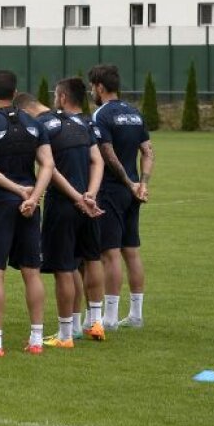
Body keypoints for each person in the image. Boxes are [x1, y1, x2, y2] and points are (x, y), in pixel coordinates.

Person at [0, 70, 54, 357]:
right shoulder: (33, 122)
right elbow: (48, 165)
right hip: (29, 203)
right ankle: (37, 340)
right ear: (16, 92)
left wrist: (20, 192)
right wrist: (33, 194)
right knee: (32, 272)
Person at [16, 80, 105, 348]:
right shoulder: (80, 122)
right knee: (91, 258)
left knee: (64, 268)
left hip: (63, 204)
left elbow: (48, 167)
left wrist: (77, 198)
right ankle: (93, 321)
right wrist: (90, 194)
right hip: (90, 203)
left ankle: (66, 334)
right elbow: (97, 160)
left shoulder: (39, 126)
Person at [88, 64, 154, 330]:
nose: (92, 91)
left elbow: (106, 152)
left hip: (113, 190)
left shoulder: (101, 115)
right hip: (133, 191)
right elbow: (148, 152)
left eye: (93, 87)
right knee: (132, 251)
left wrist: (128, 182)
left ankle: (111, 318)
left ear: (100, 87)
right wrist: (143, 184)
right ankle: (136, 315)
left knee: (110, 253)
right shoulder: (135, 113)